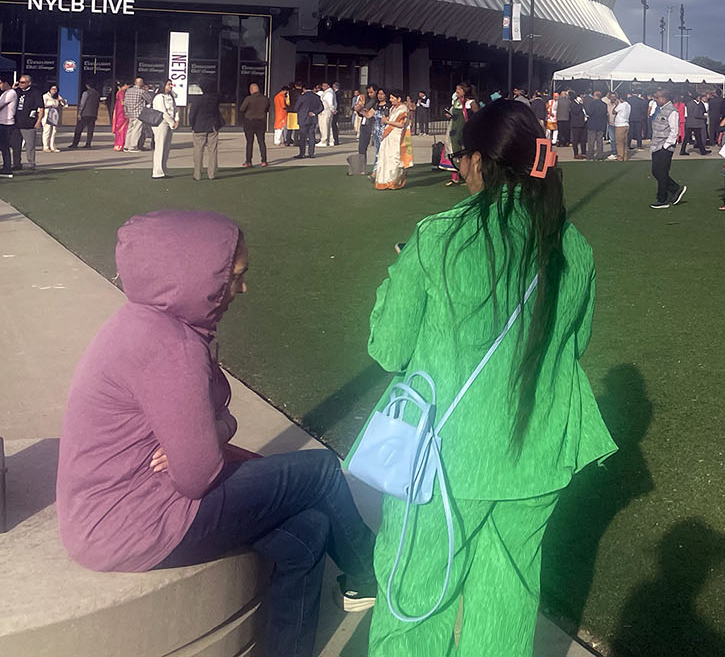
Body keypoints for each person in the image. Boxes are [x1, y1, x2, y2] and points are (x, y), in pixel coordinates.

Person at [56, 210, 378, 657]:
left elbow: (214, 427)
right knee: (322, 468)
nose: (242, 289)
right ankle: (373, 576)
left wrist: (212, 431)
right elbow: (197, 475)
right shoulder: (172, 346)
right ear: (197, 277)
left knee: (308, 532)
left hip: (106, 516)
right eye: (235, 277)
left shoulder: (142, 322)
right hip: (135, 521)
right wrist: (206, 438)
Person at [365, 99, 614, 654]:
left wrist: (396, 273)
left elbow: (387, 347)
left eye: (460, 157)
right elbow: (572, 344)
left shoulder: (439, 237)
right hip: (536, 456)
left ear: (477, 160)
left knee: (413, 602)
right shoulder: (574, 246)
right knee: (506, 606)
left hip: (447, 462)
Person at [647, 89, 687, 209]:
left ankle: (662, 199)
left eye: (657, 97)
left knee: (662, 173)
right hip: (656, 146)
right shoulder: (661, 109)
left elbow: (674, 131)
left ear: (664, 98)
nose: (655, 99)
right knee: (656, 172)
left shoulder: (672, 111)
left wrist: (666, 146)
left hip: (665, 147)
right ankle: (675, 188)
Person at [374, 91, 411, 190]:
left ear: (399, 99)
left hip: (396, 136)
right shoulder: (392, 108)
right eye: (390, 98)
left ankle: (394, 182)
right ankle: (384, 181)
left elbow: (401, 124)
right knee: (385, 157)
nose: (390, 100)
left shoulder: (403, 109)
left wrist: (387, 121)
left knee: (394, 158)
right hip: (389, 136)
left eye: (392, 98)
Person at [189, 85, 223, 181]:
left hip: (199, 127)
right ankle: (211, 174)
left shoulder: (197, 100)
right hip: (212, 126)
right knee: (212, 150)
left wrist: (192, 125)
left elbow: (192, 114)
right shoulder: (214, 99)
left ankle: (197, 174)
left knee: (198, 150)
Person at [150, 80, 178, 178]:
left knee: (166, 148)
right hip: (161, 123)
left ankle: (163, 169)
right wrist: (172, 122)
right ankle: (157, 171)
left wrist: (176, 119)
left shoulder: (171, 96)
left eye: (171, 84)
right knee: (160, 147)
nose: (171, 86)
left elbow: (175, 108)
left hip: (170, 123)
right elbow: (163, 111)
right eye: (168, 84)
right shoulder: (159, 97)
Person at [239, 82, 271, 167]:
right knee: (261, 142)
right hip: (261, 122)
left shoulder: (249, 99)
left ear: (251, 90)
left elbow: (242, 109)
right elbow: (267, 109)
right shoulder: (265, 99)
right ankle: (264, 161)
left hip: (249, 122)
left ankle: (248, 161)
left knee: (249, 142)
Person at [69, 81, 102, 150]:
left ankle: (75, 143)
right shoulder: (97, 93)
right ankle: (88, 143)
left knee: (79, 129)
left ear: (87, 86)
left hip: (85, 113)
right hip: (93, 113)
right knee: (90, 130)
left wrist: (79, 112)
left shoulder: (86, 93)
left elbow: (82, 103)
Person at [294, 85, 323, 159]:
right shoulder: (316, 97)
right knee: (312, 136)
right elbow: (321, 107)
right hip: (312, 118)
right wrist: (314, 112)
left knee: (303, 136)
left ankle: (302, 153)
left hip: (303, 118)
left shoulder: (302, 97)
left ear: (304, 89)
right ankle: (311, 153)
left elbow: (296, 108)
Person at [123, 78, 151, 153]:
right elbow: (149, 100)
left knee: (130, 129)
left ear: (135, 83)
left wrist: (126, 112)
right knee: (137, 130)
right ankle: (133, 146)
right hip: (138, 113)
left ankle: (126, 146)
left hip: (130, 113)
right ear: (141, 83)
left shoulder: (128, 91)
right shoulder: (141, 92)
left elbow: (125, 103)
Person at [42, 82, 64, 152]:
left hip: (55, 115)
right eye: (53, 89)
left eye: (55, 89)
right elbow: (42, 105)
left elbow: (64, 104)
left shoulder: (57, 96)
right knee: (47, 131)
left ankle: (52, 146)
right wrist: (50, 106)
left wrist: (61, 100)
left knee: (54, 131)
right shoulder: (45, 96)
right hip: (47, 114)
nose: (54, 90)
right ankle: (46, 146)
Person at [0, 77, 15, 177]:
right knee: (2, 146)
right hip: (2, 122)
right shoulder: (4, 93)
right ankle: (6, 166)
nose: (0, 85)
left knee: (4, 146)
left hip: (7, 123)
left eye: (1, 83)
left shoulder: (11, 93)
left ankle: (7, 168)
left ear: (6, 83)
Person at [611, 93, 632, 162]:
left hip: (620, 125)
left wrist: (616, 105)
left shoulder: (621, 105)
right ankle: (625, 156)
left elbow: (613, 112)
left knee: (619, 142)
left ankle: (620, 157)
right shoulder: (628, 105)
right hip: (626, 124)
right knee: (625, 142)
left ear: (620, 99)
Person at [111, 82, 129, 151]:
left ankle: (118, 144)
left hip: (119, 111)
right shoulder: (122, 92)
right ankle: (121, 144)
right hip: (121, 112)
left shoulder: (119, 92)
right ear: (124, 85)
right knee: (122, 129)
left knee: (120, 128)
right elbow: (122, 103)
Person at [318, 83, 336, 148]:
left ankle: (324, 141)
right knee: (328, 126)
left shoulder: (328, 93)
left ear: (328, 86)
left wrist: (332, 109)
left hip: (325, 111)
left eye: (325, 86)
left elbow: (330, 103)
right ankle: (330, 140)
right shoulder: (329, 92)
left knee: (324, 126)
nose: (323, 87)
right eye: (322, 86)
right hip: (327, 111)